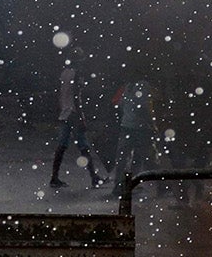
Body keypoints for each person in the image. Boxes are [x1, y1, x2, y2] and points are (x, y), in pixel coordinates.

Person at [49, 51, 104, 189]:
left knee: (61, 146)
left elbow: (59, 93)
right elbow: (76, 96)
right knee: (83, 146)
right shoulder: (77, 74)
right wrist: (81, 116)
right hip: (73, 112)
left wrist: (60, 109)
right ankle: (94, 177)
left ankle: (54, 177)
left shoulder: (63, 73)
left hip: (64, 112)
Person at [110, 78, 160, 193]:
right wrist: (152, 124)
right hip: (140, 127)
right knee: (146, 157)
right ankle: (159, 183)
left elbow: (121, 104)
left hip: (126, 125)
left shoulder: (128, 85)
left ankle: (119, 184)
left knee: (123, 157)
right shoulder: (143, 85)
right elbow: (143, 107)